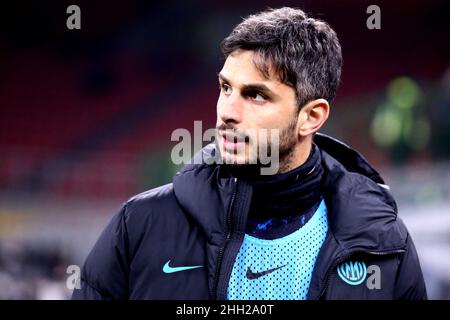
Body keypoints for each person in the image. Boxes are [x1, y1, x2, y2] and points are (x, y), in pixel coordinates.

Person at [72, 7, 427, 300]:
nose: (228, 111)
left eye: (256, 95)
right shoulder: (139, 224)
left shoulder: (382, 241)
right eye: (226, 88)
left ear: (311, 116)